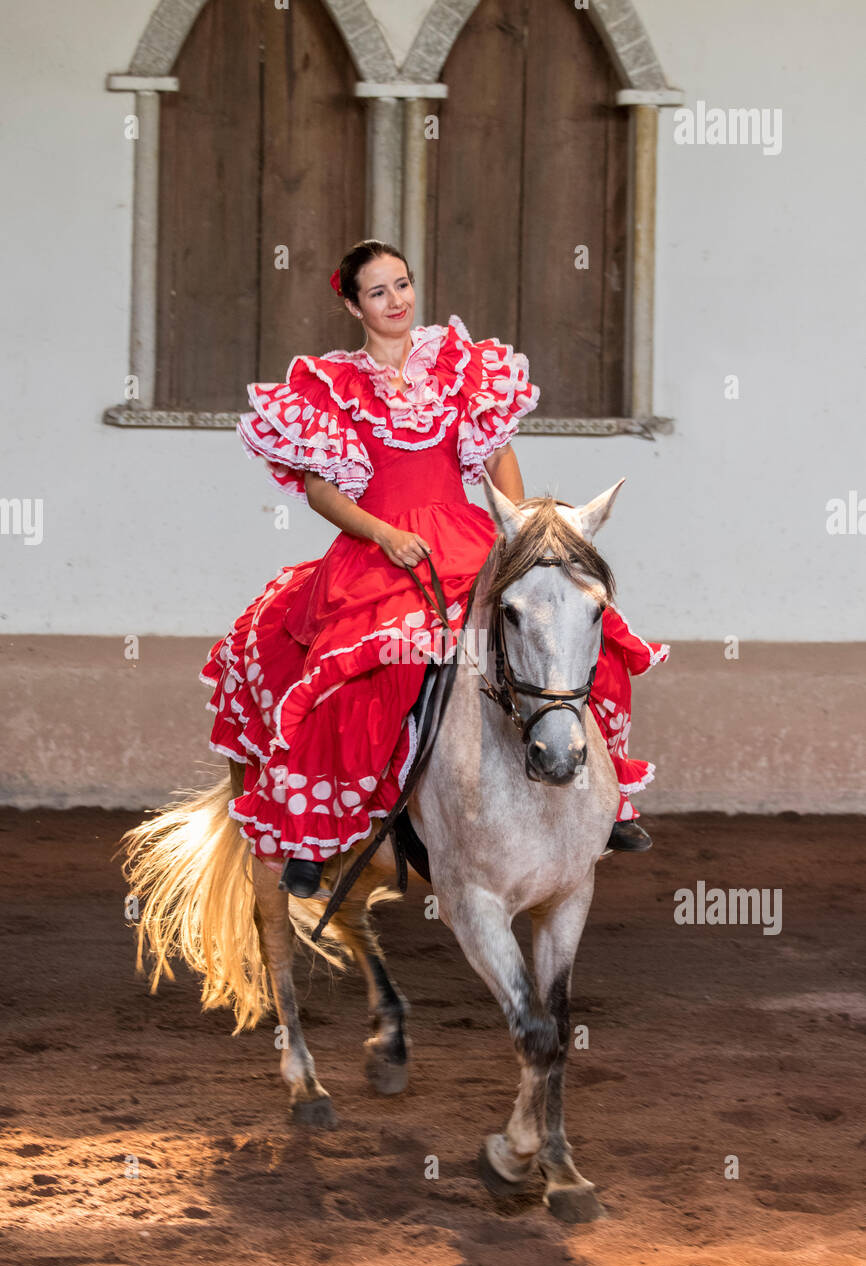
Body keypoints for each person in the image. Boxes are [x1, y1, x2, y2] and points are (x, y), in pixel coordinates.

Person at [200, 240, 669, 898]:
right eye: (378, 292)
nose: (396, 301)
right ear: (351, 304)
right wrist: (384, 534)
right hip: (378, 548)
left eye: (403, 284)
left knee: (578, 630)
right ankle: (312, 837)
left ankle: (606, 802)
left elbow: (498, 456)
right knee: (360, 669)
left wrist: (521, 526)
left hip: (467, 535)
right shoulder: (330, 384)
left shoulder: (460, 365)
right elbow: (320, 490)